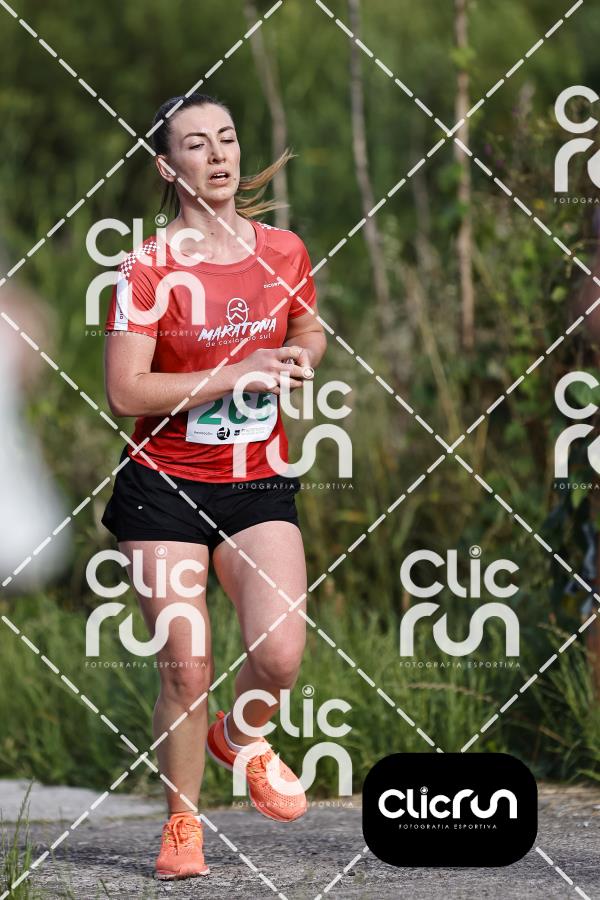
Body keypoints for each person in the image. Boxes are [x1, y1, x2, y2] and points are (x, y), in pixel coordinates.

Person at [101, 92, 327, 880]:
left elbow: (308, 326)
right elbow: (126, 391)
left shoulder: (284, 250)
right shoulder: (147, 268)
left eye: (226, 137)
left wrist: (300, 358)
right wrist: (236, 372)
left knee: (281, 653)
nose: (219, 154)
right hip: (163, 488)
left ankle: (240, 736)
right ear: (169, 168)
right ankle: (182, 825)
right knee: (187, 667)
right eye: (196, 144)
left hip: (255, 481)